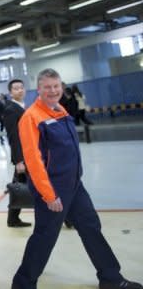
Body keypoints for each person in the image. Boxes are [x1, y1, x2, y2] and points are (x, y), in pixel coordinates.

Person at [11, 68, 142, 289]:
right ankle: (22, 285)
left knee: (91, 226)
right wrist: (49, 194)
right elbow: (33, 161)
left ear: (61, 87)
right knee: (44, 238)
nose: (53, 91)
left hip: (74, 185)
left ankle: (110, 278)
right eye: (47, 87)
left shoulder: (60, 110)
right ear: (39, 89)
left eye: (56, 86)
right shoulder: (31, 117)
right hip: (52, 190)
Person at [2, 80, 32, 228]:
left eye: (21, 87)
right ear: (10, 92)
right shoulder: (11, 109)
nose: (20, 90)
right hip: (24, 157)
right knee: (20, 186)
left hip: (29, 154)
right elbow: (13, 136)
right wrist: (19, 160)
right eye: (16, 88)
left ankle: (13, 219)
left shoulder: (22, 107)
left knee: (18, 186)